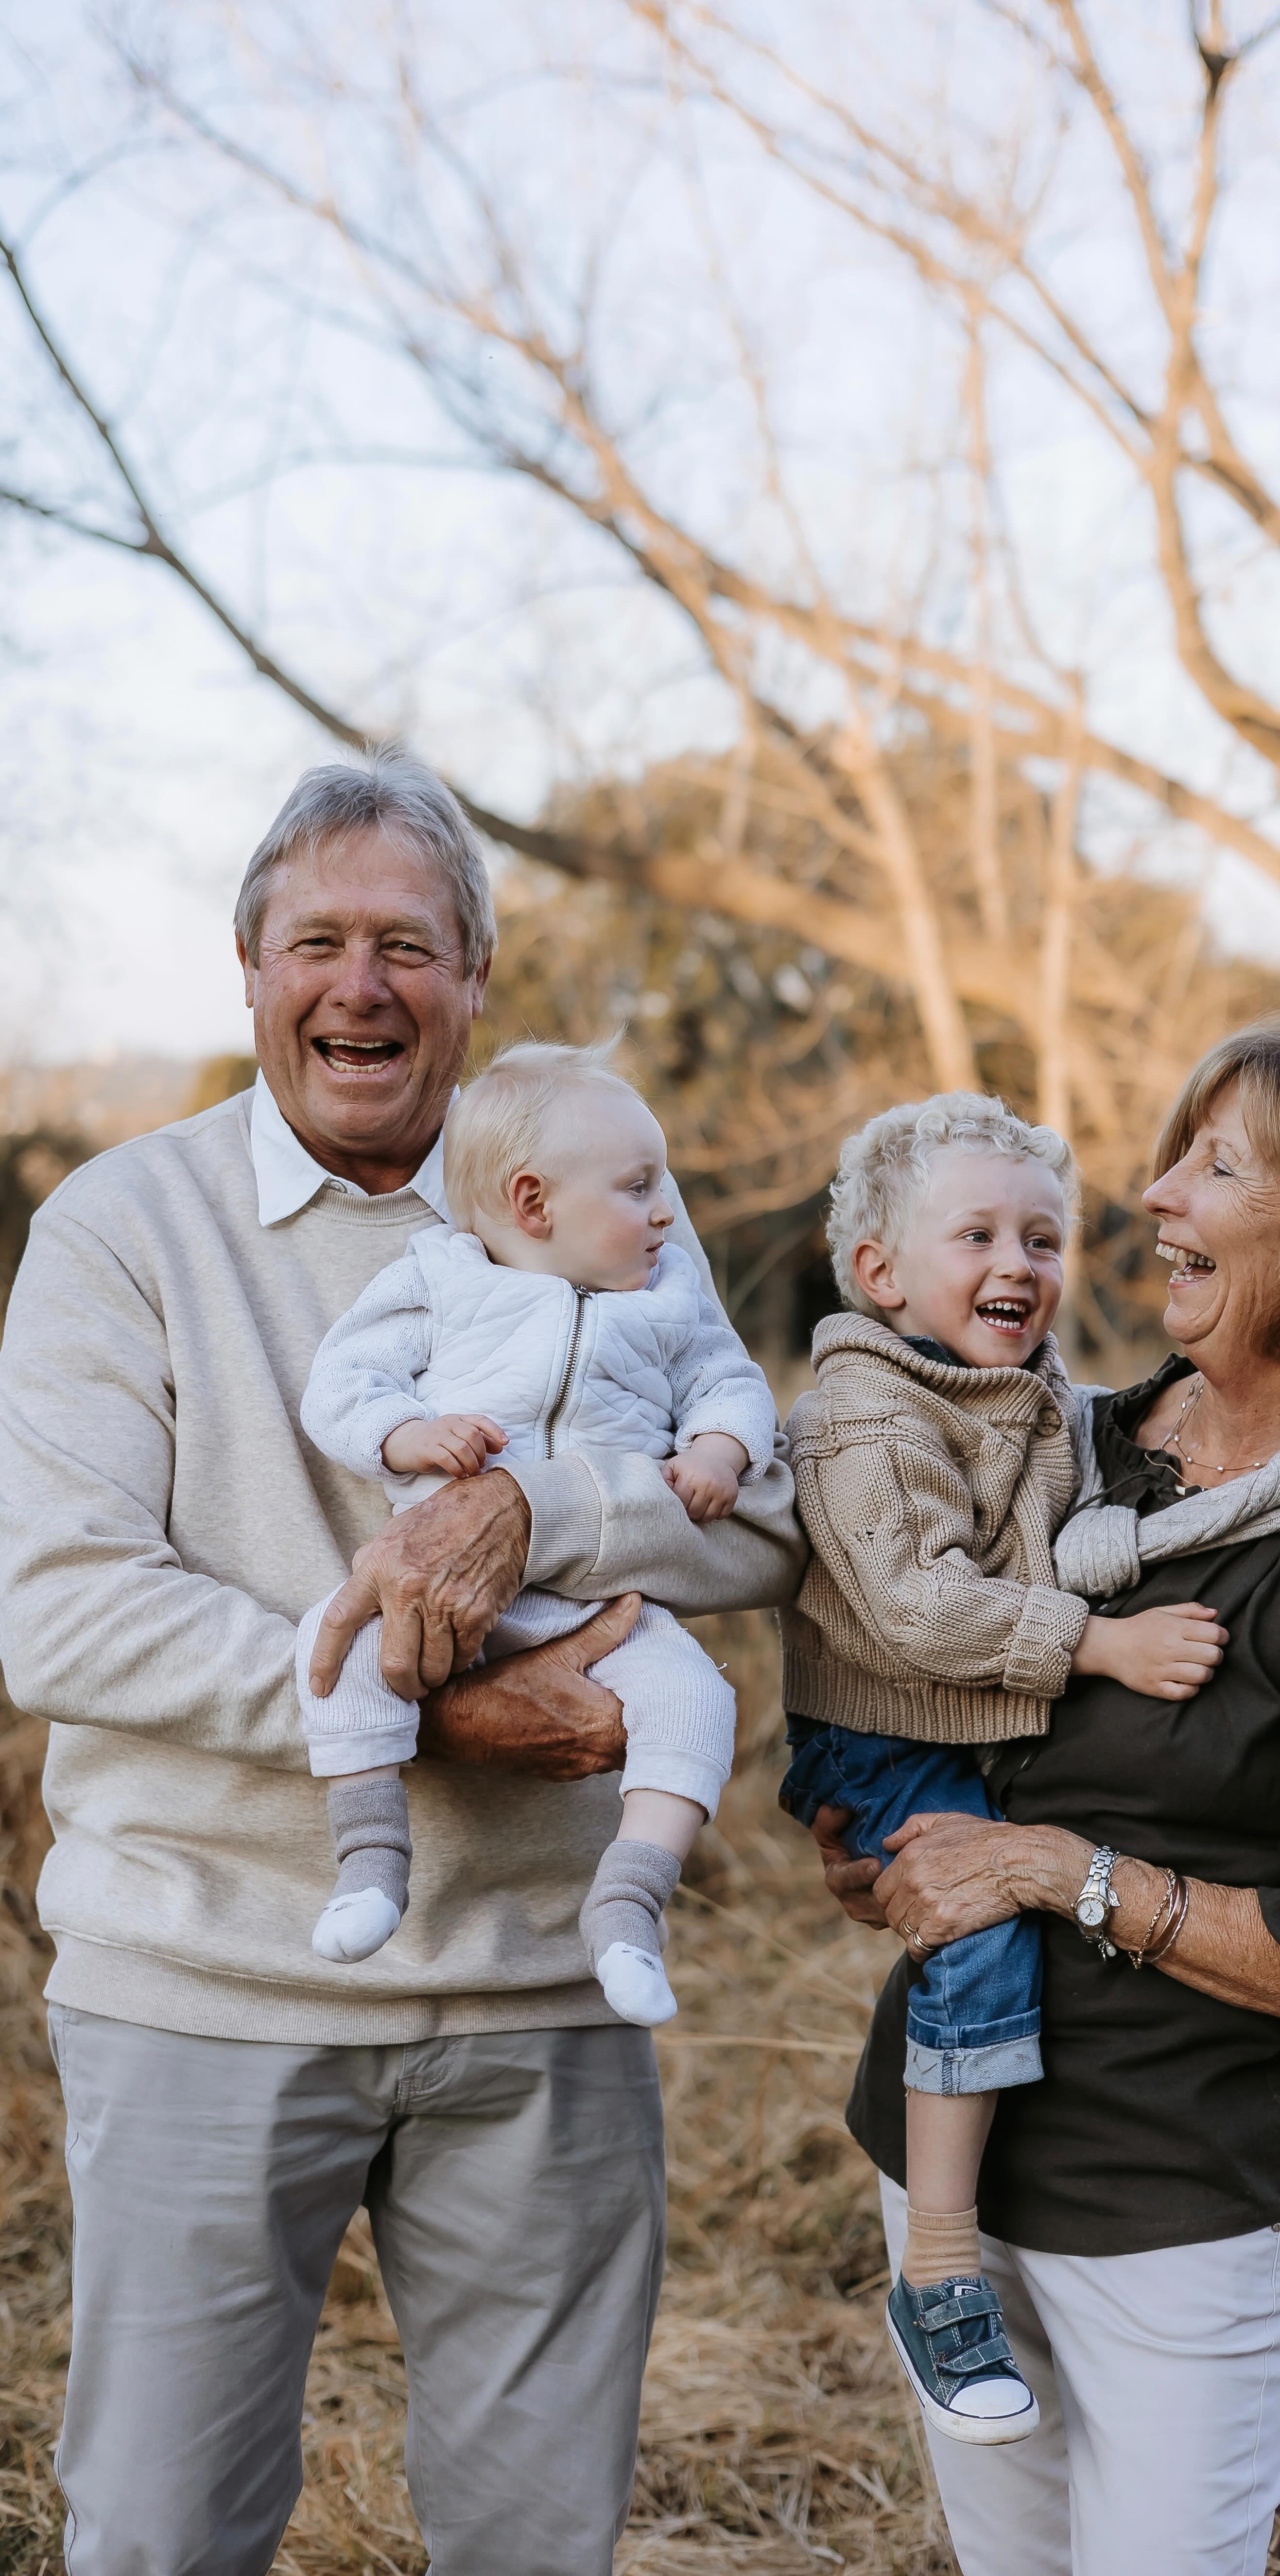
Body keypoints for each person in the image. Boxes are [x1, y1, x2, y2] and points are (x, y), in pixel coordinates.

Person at [0, 747, 805, 2576]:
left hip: (541, 1996)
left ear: (477, 978)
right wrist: (431, 1708)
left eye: (409, 947)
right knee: (159, 2535)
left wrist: (548, 1512)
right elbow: (61, 1604)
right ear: (251, 965)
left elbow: (768, 1507)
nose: (360, 986)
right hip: (210, 1981)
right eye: (317, 942)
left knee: (539, 2543)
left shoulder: (600, 1195)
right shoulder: (126, 1230)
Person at [807, 1019, 1280, 2576]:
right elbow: (936, 1670)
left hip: (1177, 2220)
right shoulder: (1086, 1448)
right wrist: (896, 1850)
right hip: (944, 2173)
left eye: (1218, 1164)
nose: (1157, 1191)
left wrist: (1054, 1868)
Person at [777, 1092, 1226, 2444]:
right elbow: (917, 1609)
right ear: (880, 1274)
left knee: (996, 1921)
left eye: (1043, 1236)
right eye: (975, 1234)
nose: (1018, 1265)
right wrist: (1096, 1645)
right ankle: (941, 2269)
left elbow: (1089, 1435)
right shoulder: (863, 1417)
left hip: (962, 1716)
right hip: (893, 1728)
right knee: (979, 1941)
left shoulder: (1016, 1393)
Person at [296, 1036, 777, 2025]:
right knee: (332, 1647)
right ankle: (371, 1860)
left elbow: (731, 1381)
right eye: (640, 1188)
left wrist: (720, 1451)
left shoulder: (667, 1296)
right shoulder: (444, 1281)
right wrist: (408, 1433)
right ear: (532, 1204)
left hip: (601, 1605)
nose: (664, 1213)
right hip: (440, 1594)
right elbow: (342, 1383)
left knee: (693, 1697)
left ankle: (630, 1904)